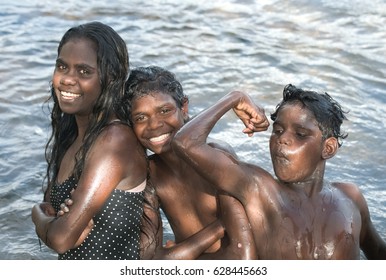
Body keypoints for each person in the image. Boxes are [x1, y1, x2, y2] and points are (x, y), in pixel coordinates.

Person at [173, 84, 386, 259]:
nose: (282, 139)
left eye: (301, 134)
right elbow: (185, 142)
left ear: (327, 148)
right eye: (278, 130)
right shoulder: (260, 190)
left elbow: (377, 253)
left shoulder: (351, 197)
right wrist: (234, 97)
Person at [31, 21, 148, 260]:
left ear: (110, 78)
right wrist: (51, 219)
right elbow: (52, 210)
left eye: (84, 71)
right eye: (62, 67)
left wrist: (37, 216)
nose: (67, 80)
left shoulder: (115, 140)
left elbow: (62, 239)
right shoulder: (73, 133)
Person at [125, 65, 256, 259]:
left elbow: (243, 255)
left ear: (184, 107)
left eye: (164, 110)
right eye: (141, 117)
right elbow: (150, 260)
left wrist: (181, 255)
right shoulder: (149, 173)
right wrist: (221, 226)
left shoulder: (215, 156)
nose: (154, 125)